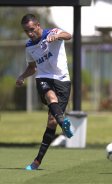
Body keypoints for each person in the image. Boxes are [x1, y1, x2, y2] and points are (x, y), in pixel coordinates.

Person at [16, 14, 74, 170]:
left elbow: (68, 35)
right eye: (26, 31)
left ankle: (37, 161)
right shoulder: (29, 46)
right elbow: (32, 68)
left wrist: (57, 35)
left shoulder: (51, 32)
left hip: (62, 80)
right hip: (43, 77)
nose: (29, 33)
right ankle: (64, 122)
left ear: (38, 25)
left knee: (51, 122)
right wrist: (22, 76)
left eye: (32, 29)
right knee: (50, 96)